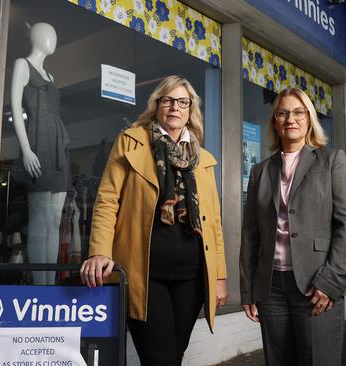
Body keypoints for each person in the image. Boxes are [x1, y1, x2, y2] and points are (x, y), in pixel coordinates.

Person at [80, 76, 228, 365]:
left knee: (173, 355)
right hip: (145, 272)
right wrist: (99, 251)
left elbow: (214, 223)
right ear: (157, 105)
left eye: (182, 102)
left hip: (192, 274)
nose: (175, 107)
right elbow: (107, 200)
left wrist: (219, 276)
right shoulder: (130, 142)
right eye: (167, 100)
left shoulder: (203, 158)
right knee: (160, 358)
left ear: (190, 109)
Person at [239, 87, 346, 366]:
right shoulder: (260, 171)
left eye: (297, 112)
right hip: (272, 289)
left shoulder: (332, 161)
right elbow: (250, 234)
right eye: (282, 113)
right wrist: (247, 290)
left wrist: (331, 282)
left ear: (308, 119)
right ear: (274, 122)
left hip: (316, 284)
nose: (290, 119)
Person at [10, 22, 70, 285]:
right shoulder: (22, 65)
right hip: (37, 143)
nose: (53, 38)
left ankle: (50, 283)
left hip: (58, 146)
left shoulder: (51, 76)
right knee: (40, 217)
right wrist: (25, 149)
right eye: (50, 33)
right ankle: (39, 285)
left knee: (55, 218)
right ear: (36, 36)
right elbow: (15, 108)